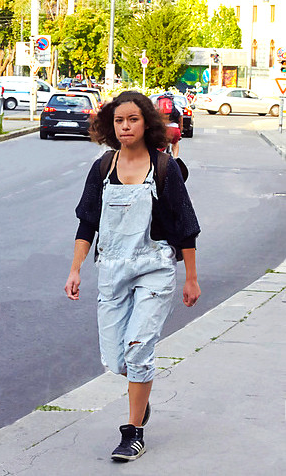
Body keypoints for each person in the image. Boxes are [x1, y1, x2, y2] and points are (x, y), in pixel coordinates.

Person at [64, 91, 201, 462]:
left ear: (146, 124)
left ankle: (133, 430)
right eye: (119, 120)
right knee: (116, 358)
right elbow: (87, 221)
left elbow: (186, 226)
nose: (125, 126)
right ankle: (141, 401)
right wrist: (75, 269)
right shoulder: (103, 167)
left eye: (133, 120)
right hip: (112, 271)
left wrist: (191, 277)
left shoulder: (164, 168)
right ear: (111, 124)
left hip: (154, 269)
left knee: (139, 350)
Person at [156, 93, 183, 158]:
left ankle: (156, 159)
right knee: (175, 142)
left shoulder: (159, 108)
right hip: (175, 130)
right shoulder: (178, 108)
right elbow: (181, 123)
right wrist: (180, 133)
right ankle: (175, 157)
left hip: (163, 130)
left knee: (161, 145)